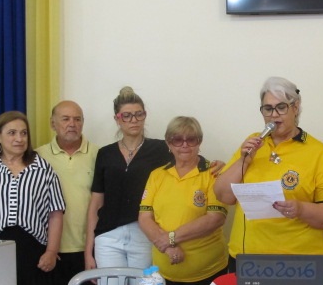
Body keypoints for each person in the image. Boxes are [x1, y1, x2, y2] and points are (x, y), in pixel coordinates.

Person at [85, 87, 223, 271]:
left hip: (143, 234)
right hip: (108, 235)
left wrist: (217, 165)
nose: (134, 120)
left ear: (145, 116)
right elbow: (96, 203)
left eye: (139, 114)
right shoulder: (105, 153)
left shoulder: (161, 149)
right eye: (127, 115)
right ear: (117, 119)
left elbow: (188, 157)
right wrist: (89, 249)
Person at [214, 76, 323, 270]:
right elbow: (223, 195)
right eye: (268, 109)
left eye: (281, 107)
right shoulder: (252, 143)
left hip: (299, 264)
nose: (274, 115)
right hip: (248, 260)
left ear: (295, 107)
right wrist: (244, 160)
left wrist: (300, 209)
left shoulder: (318, 152)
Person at [0, 101, 99, 285]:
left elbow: (59, 212)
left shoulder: (99, 155)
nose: (72, 124)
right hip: (47, 250)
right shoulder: (38, 156)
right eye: (65, 119)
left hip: (84, 248)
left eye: (77, 119)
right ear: (52, 123)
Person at [0, 111, 66, 285]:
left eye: (24, 133)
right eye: (12, 133)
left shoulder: (43, 170)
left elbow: (56, 214)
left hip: (33, 252)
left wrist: (51, 251)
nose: (19, 138)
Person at [138, 116, 228, 285]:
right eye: (177, 139)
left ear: (199, 142)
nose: (184, 145)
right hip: (164, 275)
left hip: (207, 273)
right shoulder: (157, 175)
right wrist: (169, 247)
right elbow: (144, 217)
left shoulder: (213, 173)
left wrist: (170, 238)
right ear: (168, 143)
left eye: (191, 139)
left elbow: (215, 219)